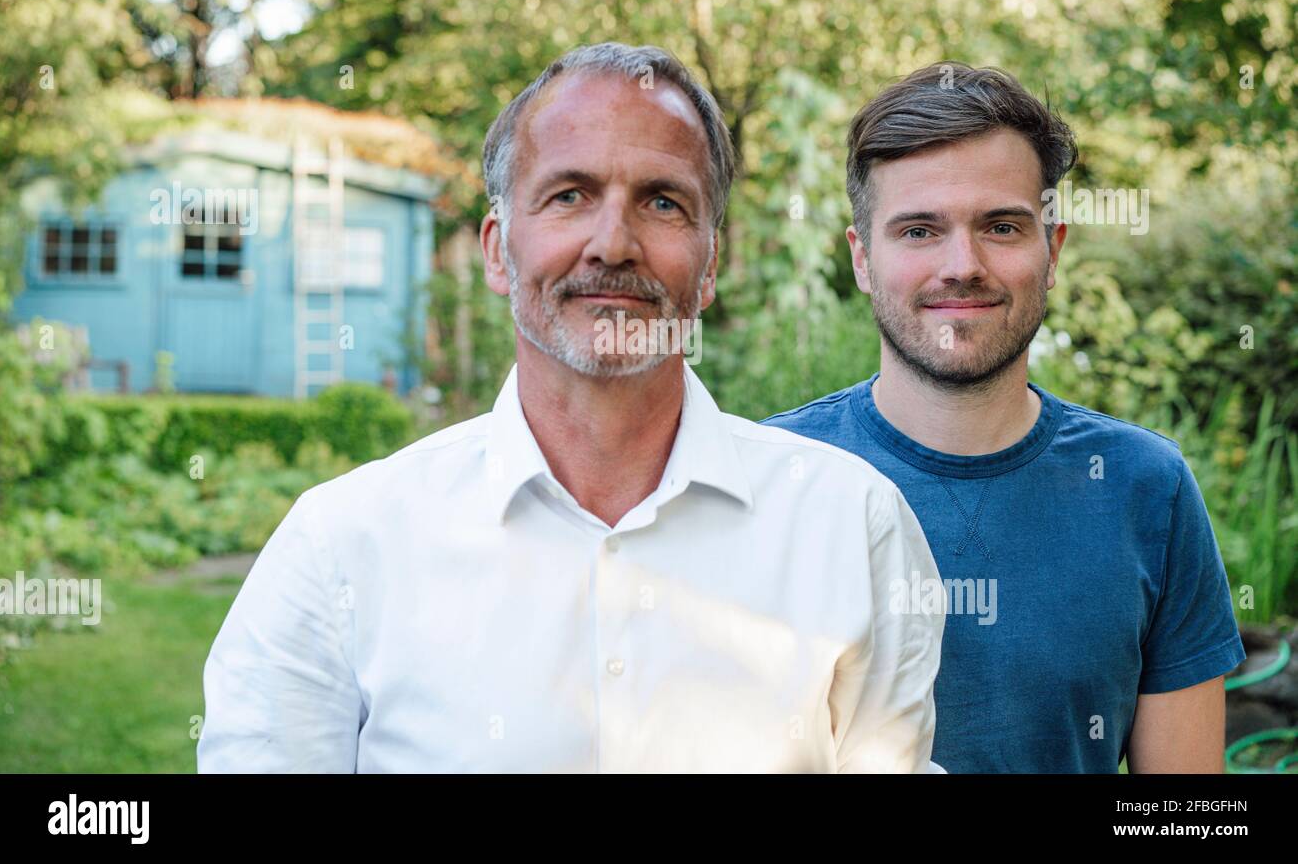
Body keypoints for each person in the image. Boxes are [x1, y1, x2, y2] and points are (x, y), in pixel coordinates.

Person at [197, 43, 944, 773]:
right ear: (497, 250)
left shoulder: (851, 529)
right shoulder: (342, 549)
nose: (612, 243)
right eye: (569, 196)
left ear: (710, 264)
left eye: (661, 201)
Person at [765, 61, 1246, 773]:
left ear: (1051, 250)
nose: (963, 264)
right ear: (863, 258)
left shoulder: (1148, 490)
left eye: (1001, 225)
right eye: (920, 230)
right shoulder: (771, 479)